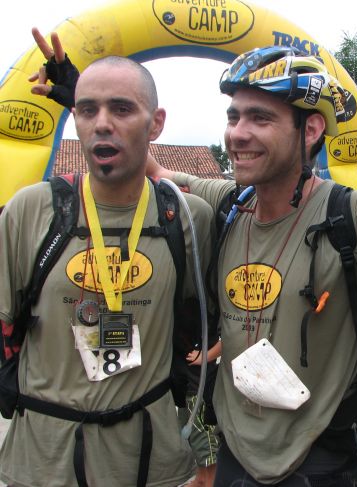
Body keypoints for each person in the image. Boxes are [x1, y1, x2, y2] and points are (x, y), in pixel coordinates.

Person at [147, 46, 357, 486]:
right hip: (233, 456)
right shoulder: (229, 203)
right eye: (234, 117)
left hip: (319, 463)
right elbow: (155, 173)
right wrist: (77, 97)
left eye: (260, 118)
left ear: (311, 129)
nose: (237, 133)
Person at [0, 38, 214, 486]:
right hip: (43, 465)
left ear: (155, 124)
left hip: (148, 465)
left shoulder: (188, 218)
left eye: (121, 109)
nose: (102, 124)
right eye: (87, 110)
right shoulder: (31, 210)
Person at [178, 338, 223, 487]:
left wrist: (207, 355)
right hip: (185, 387)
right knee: (194, 443)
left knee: (207, 447)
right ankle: (200, 479)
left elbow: (229, 337)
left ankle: (208, 481)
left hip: (201, 389)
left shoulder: (210, 315)